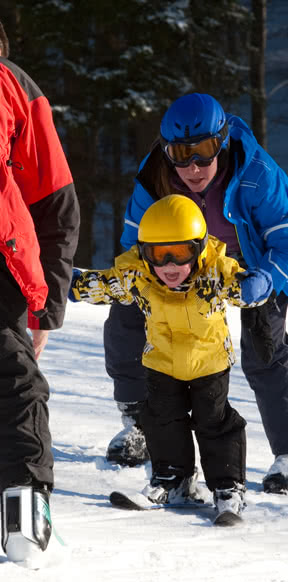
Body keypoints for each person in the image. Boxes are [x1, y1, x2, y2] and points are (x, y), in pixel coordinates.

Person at [104, 92, 288, 495]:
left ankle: (287, 452)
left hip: (250, 262)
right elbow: (135, 243)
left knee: (264, 348)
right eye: (181, 153)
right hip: (178, 262)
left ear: (221, 141)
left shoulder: (257, 173)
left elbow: (285, 238)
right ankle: (138, 424)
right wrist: (130, 281)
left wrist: (267, 278)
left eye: (204, 152)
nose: (193, 167)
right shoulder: (154, 176)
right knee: (128, 319)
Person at [70, 194, 273, 522]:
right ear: (144, 253)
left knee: (214, 422)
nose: (169, 266)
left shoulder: (214, 270)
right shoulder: (138, 275)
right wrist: (70, 282)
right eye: (157, 255)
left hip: (208, 363)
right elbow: (104, 284)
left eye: (179, 254)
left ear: (198, 247)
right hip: (161, 362)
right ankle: (173, 481)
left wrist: (258, 286)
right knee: (161, 418)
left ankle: (227, 487)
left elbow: (244, 288)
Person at [0, 21, 80, 564]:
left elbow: (54, 200)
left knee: (13, 377)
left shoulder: (14, 89)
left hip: (3, 261)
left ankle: (25, 509)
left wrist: (46, 305)